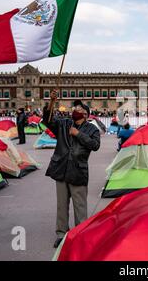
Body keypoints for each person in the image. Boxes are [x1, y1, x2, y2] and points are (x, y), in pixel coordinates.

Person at [42, 90, 101, 248]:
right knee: (61, 205)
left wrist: (78, 134)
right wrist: (52, 102)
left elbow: (95, 145)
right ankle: (61, 233)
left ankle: (80, 233)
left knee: (79, 205)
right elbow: (47, 121)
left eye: (80, 109)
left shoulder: (92, 130)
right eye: (75, 109)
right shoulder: (64, 123)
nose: (76, 110)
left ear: (86, 115)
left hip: (78, 171)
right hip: (61, 169)